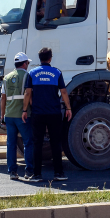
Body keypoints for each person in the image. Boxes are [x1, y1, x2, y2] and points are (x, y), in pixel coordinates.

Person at [22, 47, 72, 182]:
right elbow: (64, 92)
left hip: (38, 113)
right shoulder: (56, 72)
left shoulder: (32, 73)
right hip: (54, 113)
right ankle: (58, 173)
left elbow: (27, 93)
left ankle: (37, 175)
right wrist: (68, 108)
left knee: (37, 143)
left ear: (40, 58)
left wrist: (25, 110)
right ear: (50, 58)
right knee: (56, 143)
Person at [1, 52, 34, 180]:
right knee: (28, 143)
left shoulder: (7, 77)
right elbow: (29, 95)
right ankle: (29, 171)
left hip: (9, 115)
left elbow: (3, 98)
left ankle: (12, 172)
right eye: (28, 63)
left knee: (11, 144)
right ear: (25, 63)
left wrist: (2, 115)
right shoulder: (28, 76)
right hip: (23, 115)